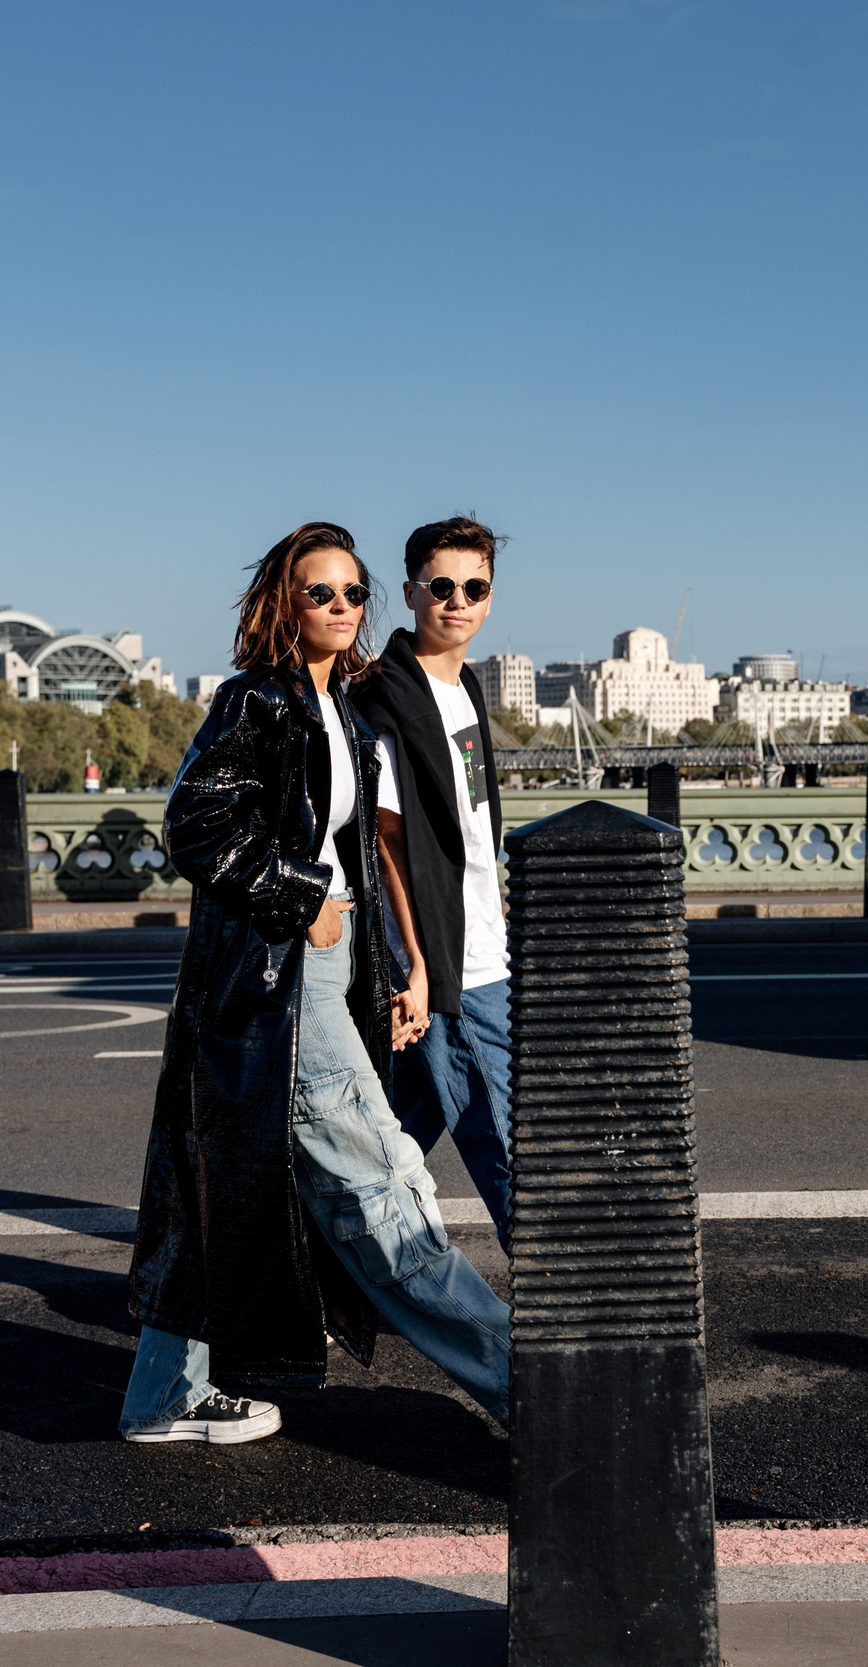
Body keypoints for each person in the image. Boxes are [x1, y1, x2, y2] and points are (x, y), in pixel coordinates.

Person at [120, 521, 511, 1446]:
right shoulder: (256, 700)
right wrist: (303, 900)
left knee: (235, 1181)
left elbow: (365, 847)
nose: (340, 606)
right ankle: (531, 1383)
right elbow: (194, 823)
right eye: (319, 592)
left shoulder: (340, 708)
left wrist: (395, 963)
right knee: (382, 1186)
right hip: (280, 977)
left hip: (330, 970)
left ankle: (164, 1394)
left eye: (351, 593)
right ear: (283, 603)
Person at [354, 517, 513, 1244]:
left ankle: (323, 1279)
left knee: (387, 1147)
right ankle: (556, 1291)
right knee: (506, 1139)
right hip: (450, 964)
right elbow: (388, 841)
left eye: (474, 588)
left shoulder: (463, 689)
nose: (458, 601)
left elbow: (472, 828)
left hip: (479, 941)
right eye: (441, 585)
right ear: (412, 590)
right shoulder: (392, 698)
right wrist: (420, 965)